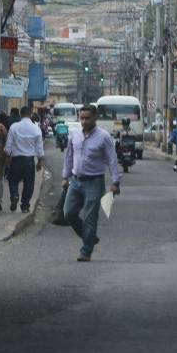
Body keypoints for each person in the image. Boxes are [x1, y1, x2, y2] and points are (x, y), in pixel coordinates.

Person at [62, 104, 120, 262]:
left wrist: (115, 182)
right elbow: (69, 157)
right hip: (75, 181)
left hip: (94, 182)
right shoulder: (75, 135)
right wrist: (65, 177)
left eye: (87, 118)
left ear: (95, 118)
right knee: (68, 213)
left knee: (90, 217)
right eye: (81, 118)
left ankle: (86, 250)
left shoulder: (104, 137)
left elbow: (112, 160)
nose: (84, 121)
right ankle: (89, 236)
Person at [4, 106, 44, 213]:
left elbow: (8, 146)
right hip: (29, 161)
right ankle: (25, 205)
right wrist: (39, 162)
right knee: (29, 183)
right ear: (31, 114)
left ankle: (14, 195)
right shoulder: (36, 129)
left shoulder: (14, 127)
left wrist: (7, 157)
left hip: (16, 159)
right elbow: (39, 148)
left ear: (20, 115)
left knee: (12, 180)